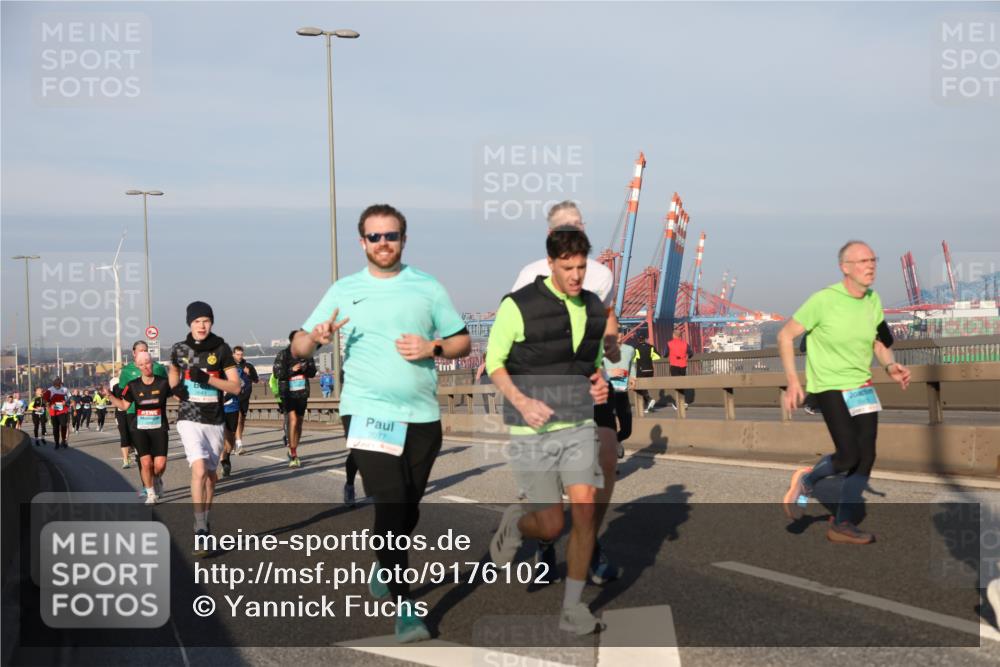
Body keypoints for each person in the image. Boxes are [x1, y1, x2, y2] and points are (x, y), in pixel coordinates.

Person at [292, 203, 470, 643]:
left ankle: (383, 564)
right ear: (362, 243)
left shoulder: (427, 287)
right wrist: (315, 338)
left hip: (423, 416)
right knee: (391, 502)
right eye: (375, 237)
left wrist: (433, 347)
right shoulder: (343, 289)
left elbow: (462, 340)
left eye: (391, 235)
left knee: (408, 507)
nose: (383, 243)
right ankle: (406, 605)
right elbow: (297, 345)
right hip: (367, 412)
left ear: (403, 239)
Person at [488, 226, 610, 635]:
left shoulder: (593, 308)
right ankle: (517, 521)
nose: (576, 275)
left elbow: (589, 364)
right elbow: (495, 363)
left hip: (578, 424)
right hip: (531, 428)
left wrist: (599, 382)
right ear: (550, 264)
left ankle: (572, 608)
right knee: (552, 525)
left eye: (581, 266)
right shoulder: (517, 306)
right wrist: (522, 401)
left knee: (586, 510)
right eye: (567, 267)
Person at [509, 201, 623, 588]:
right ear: (549, 238)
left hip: (589, 382)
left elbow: (607, 314)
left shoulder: (602, 274)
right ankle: (544, 542)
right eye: (562, 228)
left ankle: (590, 542)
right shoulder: (529, 275)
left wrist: (611, 342)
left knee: (606, 455)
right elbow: (515, 321)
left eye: (575, 226)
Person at [778, 240, 911, 545]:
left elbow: (879, 343)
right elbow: (786, 335)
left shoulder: (873, 300)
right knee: (849, 454)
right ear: (845, 268)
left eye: (873, 259)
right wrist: (794, 381)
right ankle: (808, 480)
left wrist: (891, 366)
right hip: (829, 385)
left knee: (867, 457)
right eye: (863, 260)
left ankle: (842, 523)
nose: (871, 265)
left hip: (861, 386)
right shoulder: (824, 300)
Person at [168, 301, 241, 554]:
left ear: (212, 323)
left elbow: (235, 387)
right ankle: (199, 528)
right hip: (189, 417)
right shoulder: (179, 349)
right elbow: (173, 371)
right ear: (190, 323)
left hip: (215, 420)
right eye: (197, 321)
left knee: (211, 476)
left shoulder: (221, 349)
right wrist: (176, 388)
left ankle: (205, 520)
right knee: (199, 469)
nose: (201, 325)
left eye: (206, 321)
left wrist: (208, 379)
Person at [108, 351, 172, 505]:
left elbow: (179, 395)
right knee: (145, 463)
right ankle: (151, 494)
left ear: (153, 363)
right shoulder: (133, 385)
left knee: (160, 465)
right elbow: (124, 405)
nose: (145, 367)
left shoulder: (163, 382)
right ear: (137, 366)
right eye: (142, 364)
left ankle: (157, 479)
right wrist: (110, 396)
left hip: (159, 427)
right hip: (139, 429)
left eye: (148, 363)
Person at [116, 341, 168, 472]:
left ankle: (155, 477)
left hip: (155, 412)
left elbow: (166, 387)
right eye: (140, 351)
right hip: (133, 412)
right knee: (143, 455)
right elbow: (123, 392)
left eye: (146, 350)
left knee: (156, 455)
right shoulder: (126, 371)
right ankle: (147, 484)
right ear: (134, 353)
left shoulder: (158, 368)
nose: (143, 353)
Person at [273, 333, 318, 468]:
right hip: (287, 394)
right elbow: (277, 373)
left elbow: (313, 372)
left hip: (302, 394)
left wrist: (305, 368)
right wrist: (291, 370)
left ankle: (293, 448)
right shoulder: (283, 355)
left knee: (298, 422)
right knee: (292, 419)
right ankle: (293, 454)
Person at [603, 332, 636, 458]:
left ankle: (615, 442)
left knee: (627, 430)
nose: (619, 336)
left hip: (622, 394)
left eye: (621, 334)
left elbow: (632, 364)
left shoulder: (629, 350)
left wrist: (633, 377)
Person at [220, 363, 250, 478]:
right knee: (218, 436)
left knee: (230, 438)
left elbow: (241, 386)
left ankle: (226, 456)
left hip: (232, 407)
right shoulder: (212, 371)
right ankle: (222, 461)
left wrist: (224, 398)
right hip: (216, 409)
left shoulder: (236, 371)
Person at [232, 346, 259, 456]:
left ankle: (236, 441)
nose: (240, 356)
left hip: (245, 397)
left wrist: (250, 374)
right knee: (237, 419)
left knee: (242, 420)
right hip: (233, 397)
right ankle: (239, 444)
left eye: (241, 354)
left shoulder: (248, 366)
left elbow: (256, 380)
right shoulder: (229, 366)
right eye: (238, 354)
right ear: (233, 354)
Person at [666, 329, 694, 410]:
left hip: (674, 366)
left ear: (674, 335)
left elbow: (665, 354)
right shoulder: (685, 344)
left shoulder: (669, 343)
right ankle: (683, 402)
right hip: (683, 365)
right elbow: (691, 353)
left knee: (676, 384)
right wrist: (686, 357)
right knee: (681, 383)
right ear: (680, 336)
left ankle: (677, 403)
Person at [632, 333, 660, 413]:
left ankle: (649, 399)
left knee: (638, 387)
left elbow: (633, 360)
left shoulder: (636, 348)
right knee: (644, 387)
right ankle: (647, 407)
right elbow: (657, 356)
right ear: (645, 339)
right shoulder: (651, 347)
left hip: (641, 370)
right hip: (650, 370)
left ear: (638, 340)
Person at [43, 378, 71, 449]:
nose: (58, 385)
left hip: (63, 410)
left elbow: (70, 398)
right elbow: (44, 399)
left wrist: (66, 402)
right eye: (56, 384)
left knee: (63, 426)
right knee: (55, 428)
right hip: (54, 412)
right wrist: (49, 404)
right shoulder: (50, 390)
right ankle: (56, 443)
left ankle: (64, 440)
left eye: (59, 384)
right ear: (54, 383)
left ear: (60, 383)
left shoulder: (65, 389)